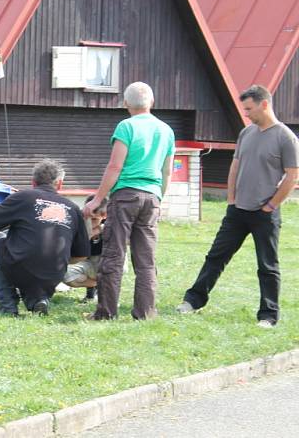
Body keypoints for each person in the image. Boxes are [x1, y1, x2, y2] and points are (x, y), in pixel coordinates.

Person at [177, 85, 299, 328]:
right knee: (215, 257)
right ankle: (193, 300)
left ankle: (268, 315)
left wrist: (271, 205)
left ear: (264, 104)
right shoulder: (246, 133)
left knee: (267, 265)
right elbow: (235, 167)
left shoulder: (286, 138)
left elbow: (292, 176)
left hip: (265, 214)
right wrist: (231, 199)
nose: (246, 114)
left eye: (249, 109)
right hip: (237, 211)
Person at [83, 81, 175, 320]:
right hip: (152, 196)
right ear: (151, 102)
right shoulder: (166, 130)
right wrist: (159, 198)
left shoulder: (126, 126)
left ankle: (106, 313)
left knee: (114, 254)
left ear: (125, 104)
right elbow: (167, 171)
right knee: (146, 259)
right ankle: (145, 312)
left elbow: (115, 166)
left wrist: (97, 200)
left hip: (126, 196)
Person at [0, 159, 90, 316]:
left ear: (33, 182)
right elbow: (81, 254)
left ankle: (7, 305)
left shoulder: (23, 197)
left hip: (20, 265)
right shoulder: (73, 208)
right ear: (59, 184)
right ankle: (38, 300)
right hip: (55, 273)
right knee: (40, 263)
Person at [63, 195, 108, 302]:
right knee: (65, 274)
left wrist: (101, 229)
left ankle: (102, 289)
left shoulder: (111, 224)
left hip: (104, 261)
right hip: (86, 260)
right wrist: (87, 234)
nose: (90, 222)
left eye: (94, 219)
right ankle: (96, 286)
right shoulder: (80, 222)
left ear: (104, 216)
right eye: (87, 218)